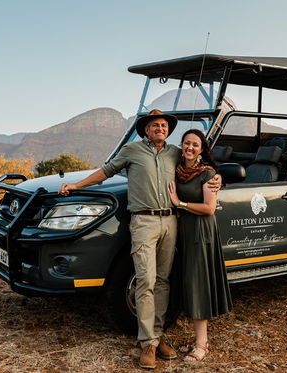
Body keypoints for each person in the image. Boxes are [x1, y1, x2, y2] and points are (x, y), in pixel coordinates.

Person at [58, 109, 219, 370]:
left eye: (164, 125)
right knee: (146, 280)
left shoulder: (174, 152)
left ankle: (157, 336)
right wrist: (77, 186)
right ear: (145, 129)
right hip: (143, 221)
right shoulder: (132, 151)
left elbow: (195, 164)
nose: (160, 128)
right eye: (154, 125)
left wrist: (215, 176)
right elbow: (106, 171)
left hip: (170, 221)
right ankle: (147, 343)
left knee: (164, 282)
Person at [167, 129, 232, 362]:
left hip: (200, 232)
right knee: (185, 281)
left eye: (195, 144)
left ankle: (202, 344)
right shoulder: (178, 169)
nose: (190, 148)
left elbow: (209, 209)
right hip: (183, 231)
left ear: (202, 149)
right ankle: (197, 340)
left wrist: (179, 203)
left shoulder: (208, 174)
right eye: (186, 143)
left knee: (198, 284)